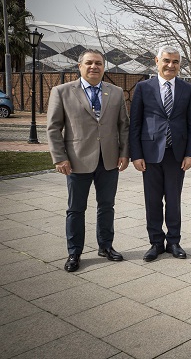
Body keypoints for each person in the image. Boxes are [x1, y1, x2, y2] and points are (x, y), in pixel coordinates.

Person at [47, 49, 130, 272]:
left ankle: (106, 246)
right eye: (89, 63)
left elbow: (124, 125)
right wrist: (59, 158)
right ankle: (74, 252)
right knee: (75, 208)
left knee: (107, 206)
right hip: (76, 160)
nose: (94, 67)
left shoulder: (115, 92)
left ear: (104, 67)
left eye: (99, 63)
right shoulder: (62, 91)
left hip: (109, 160)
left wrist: (124, 153)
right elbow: (54, 128)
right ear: (80, 66)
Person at [129, 46, 191, 262]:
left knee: (173, 200)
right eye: (167, 61)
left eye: (176, 62)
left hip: (176, 154)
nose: (171, 65)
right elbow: (136, 124)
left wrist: (190, 154)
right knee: (152, 200)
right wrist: (136, 155)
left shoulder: (188, 90)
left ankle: (174, 241)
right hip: (150, 154)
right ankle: (156, 243)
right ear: (157, 61)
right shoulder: (143, 88)